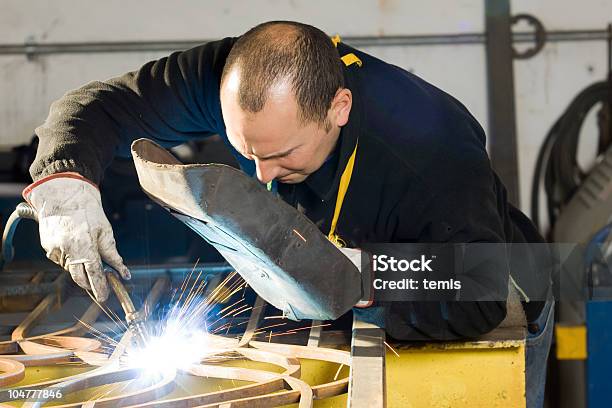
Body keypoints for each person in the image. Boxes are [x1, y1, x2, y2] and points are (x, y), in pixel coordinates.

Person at [24, 21, 553, 406]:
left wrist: (358, 274)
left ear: (337, 109)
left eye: (281, 156)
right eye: (247, 150)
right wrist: (66, 183)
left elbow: (476, 292)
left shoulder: (432, 148)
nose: (261, 176)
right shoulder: (236, 77)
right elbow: (99, 105)